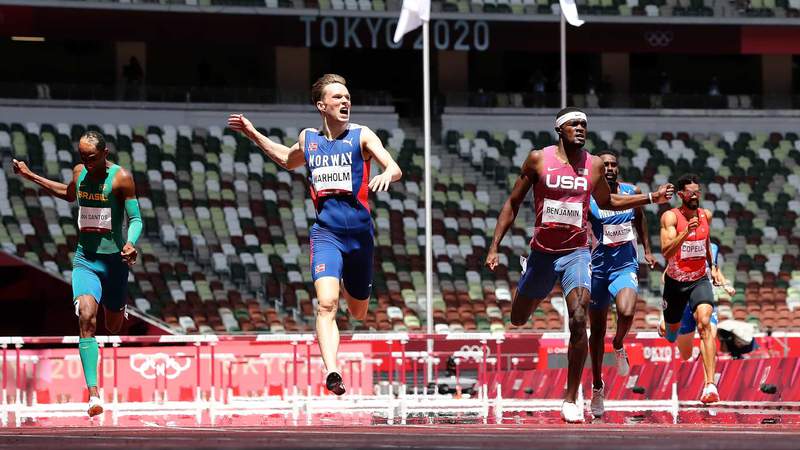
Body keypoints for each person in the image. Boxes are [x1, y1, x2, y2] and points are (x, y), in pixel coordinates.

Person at [484, 107, 674, 423]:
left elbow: (608, 202)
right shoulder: (538, 160)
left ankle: (571, 398)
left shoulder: (595, 165)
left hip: (577, 252)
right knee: (518, 318)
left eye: (584, 124)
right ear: (560, 129)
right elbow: (513, 203)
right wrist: (494, 247)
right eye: (574, 124)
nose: (581, 128)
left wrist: (650, 198)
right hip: (543, 252)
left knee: (578, 316)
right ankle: (527, 279)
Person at [227, 74, 402, 396]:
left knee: (358, 311)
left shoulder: (362, 136)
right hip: (327, 234)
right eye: (337, 98)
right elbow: (284, 158)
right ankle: (333, 370)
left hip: (360, 237)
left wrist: (386, 174)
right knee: (326, 304)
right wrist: (253, 134)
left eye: (347, 97)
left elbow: (393, 167)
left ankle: (354, 285)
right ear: (322, 105)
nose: (345, 102)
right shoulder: (309, 140)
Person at [12, 131, 142, 417]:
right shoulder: (80, 172)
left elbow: (136, 219)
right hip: (86, 260)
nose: (87, 163)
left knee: (114, 326)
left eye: (92, 158)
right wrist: (31, 176)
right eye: (83, 157)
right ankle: (94, 394)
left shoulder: (121, 179)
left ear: (105, 153)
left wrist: (131, 243)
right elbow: (68, 194)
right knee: (86, 317)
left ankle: (120, 306)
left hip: (115, 263)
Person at [586, 149, 656, 418]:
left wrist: (647, 250)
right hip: (598, 270)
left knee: (626, 311)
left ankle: (618, 344)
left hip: (625, 266)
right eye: (605, 165)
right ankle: (596, 386)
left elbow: (640, 219)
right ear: (598, 170)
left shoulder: (631, 191)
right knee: (596, 332)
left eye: (614, 164)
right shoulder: (589, 197)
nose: (611, 168)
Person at [659, 173, 723, 404]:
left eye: (698, 192)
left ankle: (710, 385)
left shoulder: (705, 215)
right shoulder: (670, 217)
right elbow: (666, 252)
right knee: (671, 334)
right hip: (675, 284)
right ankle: (665, 320)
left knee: (705, 323)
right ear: (680, 195)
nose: (695, 196)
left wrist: (713, 266)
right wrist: (686, 232)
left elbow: (706, 241)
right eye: (690, 192)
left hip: (699, 279)